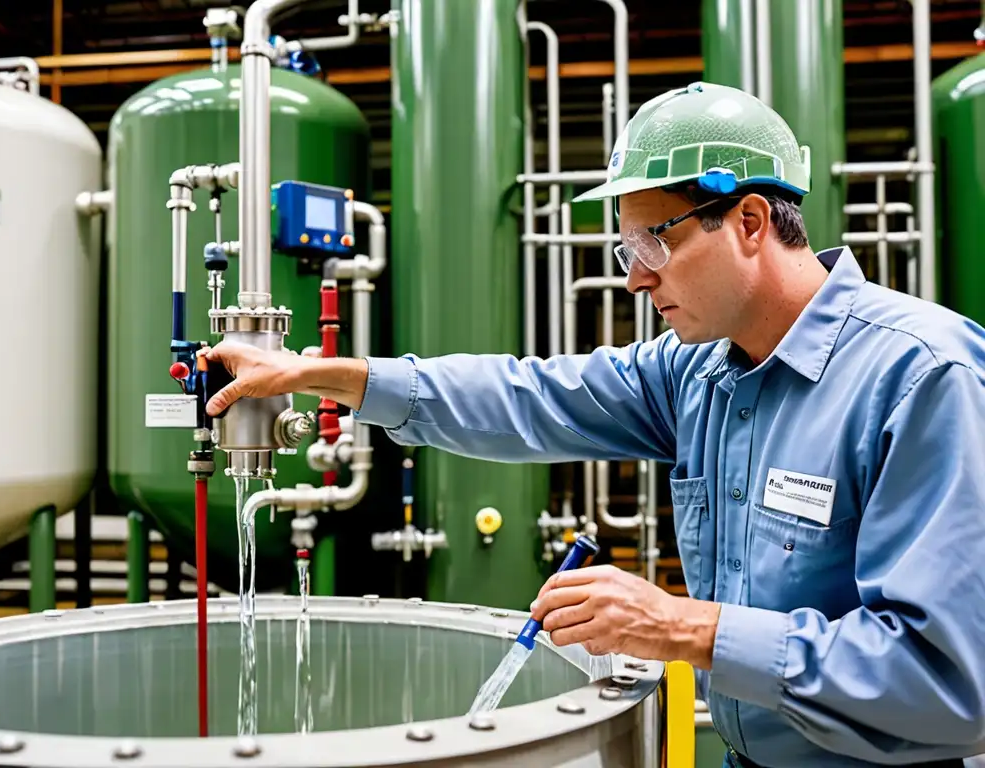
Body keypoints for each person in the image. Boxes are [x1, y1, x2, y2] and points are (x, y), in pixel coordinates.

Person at [204, 82, 985, 768]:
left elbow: (948, 681)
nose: (639, 275)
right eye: (626, 248)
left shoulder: (920, 376)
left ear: (749, 220)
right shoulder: (704, 372)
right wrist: (323, 374)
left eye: (657, 240)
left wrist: (685, 625)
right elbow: (527, 397)